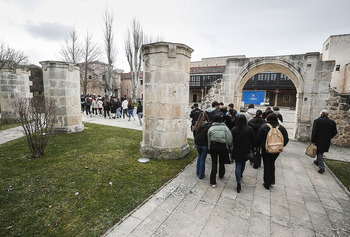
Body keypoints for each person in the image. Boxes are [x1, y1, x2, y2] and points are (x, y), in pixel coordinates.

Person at [255, 113, 289, 190]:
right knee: (272, 163)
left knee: (267, 164)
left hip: (266, 149)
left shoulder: (264, 127)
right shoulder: (281, 128)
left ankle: (267, 182)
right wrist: (280, 146)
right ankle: (271, 180)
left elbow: (258, 138)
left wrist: (257, 146)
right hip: (276, 150)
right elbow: (286, 139)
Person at [207, 114, 233, 188]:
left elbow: (208, 139)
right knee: (222, 161)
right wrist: (229, 145)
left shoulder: (211, 128)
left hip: (213, 146)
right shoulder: (225, 128)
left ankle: (212, 181)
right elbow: (229, 138)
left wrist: (209, 148)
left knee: (214, 163)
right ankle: (221, 174)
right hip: (222, 146)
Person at [231, 115, 254, 193]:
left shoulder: (234, 129)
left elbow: (231, 140)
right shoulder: (249, 129)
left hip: (236, 149)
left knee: (237, 165)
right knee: (243, 163)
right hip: (246, 150)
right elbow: (252, 140)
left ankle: (238, 182)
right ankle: (240, 175)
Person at [194, 112, 211, 179]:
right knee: (203, 158)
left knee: (199, 157)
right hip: (204, 144)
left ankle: (198, 171)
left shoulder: (197, 124)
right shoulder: (208, 125)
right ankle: (201, 174)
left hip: (198, 143)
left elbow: (195, 133)